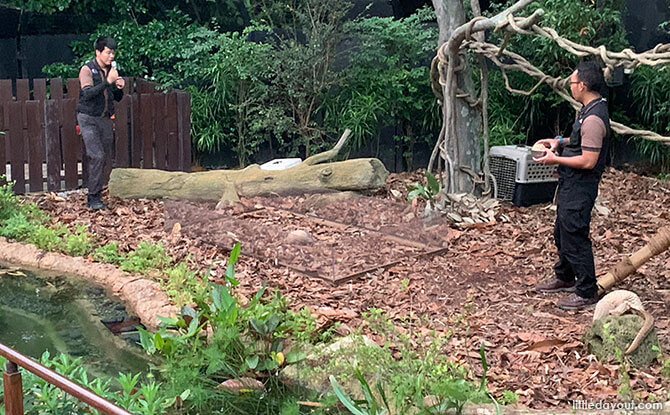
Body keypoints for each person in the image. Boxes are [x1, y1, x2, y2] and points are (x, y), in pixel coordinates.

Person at [532, 61, 610, 310]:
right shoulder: (588, 110)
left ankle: (586, 290)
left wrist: (554, 158)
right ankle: (565, 276)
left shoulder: (594, 119)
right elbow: (580, 142)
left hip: (581, 186)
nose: (571, 86)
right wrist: (559, 142)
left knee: (575, 235)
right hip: (570, 184)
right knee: (562, 231)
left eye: (573, 82)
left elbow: (588, 160)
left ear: (583, 85)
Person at [76, 36, 125, 210]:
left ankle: (97, 192)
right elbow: (88, 93)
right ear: (98, 52)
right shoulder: (87, 69)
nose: (111, 56)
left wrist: (118, 87)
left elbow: (117, 98)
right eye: (108, 52)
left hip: (104, 118)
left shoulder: (111, 70)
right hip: (87, 118)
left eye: (113, 53)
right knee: (96, 155)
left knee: (104, 157)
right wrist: (107, 82)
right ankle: (93, 198)